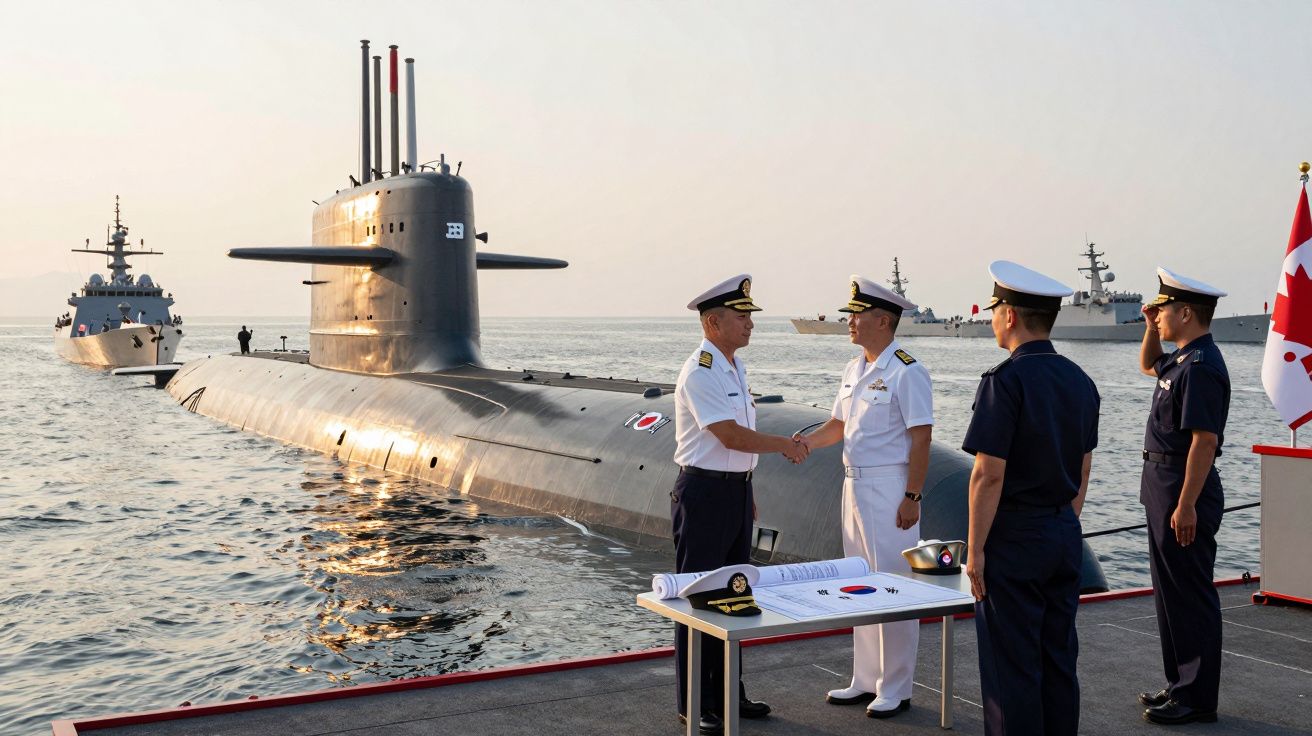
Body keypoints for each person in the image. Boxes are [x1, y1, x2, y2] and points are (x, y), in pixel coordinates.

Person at [962, 261, 1099, 736]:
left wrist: (975, 548)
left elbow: (988, 475)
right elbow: (1083, 466)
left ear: (1011, 315)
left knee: (1010, 667)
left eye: (996, 308)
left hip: (1015, 538)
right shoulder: (1081, 380)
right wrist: (1063, 520)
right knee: (1057, 658)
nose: (994, 317)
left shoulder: (1006, 381)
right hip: (1062, 531)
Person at [671, 273, 808, 734]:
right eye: (741, 316)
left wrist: (747, 487)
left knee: (734, 594)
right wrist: (784, 445)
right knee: (698, 599)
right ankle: (696, 701)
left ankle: (730, 691)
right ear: (712, 322)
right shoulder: (702, 370)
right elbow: (728, 435)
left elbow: (735, 447)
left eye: (750, 316)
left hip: (732, 491)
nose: (750, 323)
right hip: (704, 495)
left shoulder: (732, 366)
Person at [795, 275, 932, 719]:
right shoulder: (855, 369)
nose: (849, 321)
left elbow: (922, 437)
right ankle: (865, 677)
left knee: (893, 583)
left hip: (890, 486)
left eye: (857, 314)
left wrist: (912, 495)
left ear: (883, 320)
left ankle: (896, 685)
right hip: (853, 485)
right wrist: (802, 443)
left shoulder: (906, 370)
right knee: (859, 581)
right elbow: (838, 427)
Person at [1134, 268, 1230, 726]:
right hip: (1163, 485)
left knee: (1189, 594)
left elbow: (1204, 442)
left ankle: (1196, 697)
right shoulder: (1181, 359)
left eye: (1165, 309)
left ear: (1187, 312)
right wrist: (1151, 327)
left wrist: (1187, 503)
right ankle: (1179, 686)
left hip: (1182, 488)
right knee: (1169, 594)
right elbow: (1147, 363)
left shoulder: (1203, 366)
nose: (1159, 315)